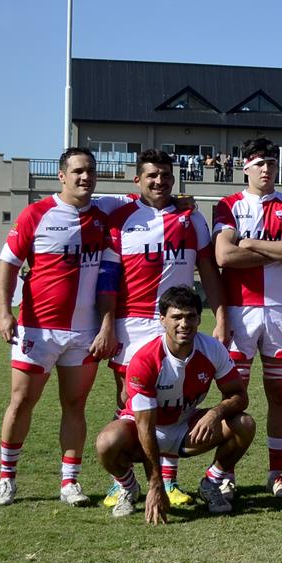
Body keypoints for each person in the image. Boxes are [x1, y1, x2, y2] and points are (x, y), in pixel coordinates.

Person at [99, 148, 227, 510]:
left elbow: (208, 269)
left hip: (177, 319)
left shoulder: (191, 217)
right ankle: (123, 483)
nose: (160, 181)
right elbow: (109, 277)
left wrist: (220, 317)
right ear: (137, 178)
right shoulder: (119, 213)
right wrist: (108, 323)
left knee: (177, 396)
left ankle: (169, 482)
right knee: (128, 401)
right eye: (152, 175)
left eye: (166, 175)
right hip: (134, 322)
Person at [0, 147, 115, 507]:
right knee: (21, 401)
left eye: (90, 171)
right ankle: (6, 478)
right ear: (62, 176)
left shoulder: (104, 217)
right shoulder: (37, 213)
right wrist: (3, 312)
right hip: (37, 330)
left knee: (75, 404)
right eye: (77, 171)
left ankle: (70, 481)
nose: (84, 177)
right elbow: (8, 265)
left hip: (84, 334)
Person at [94, 286, 255, 521]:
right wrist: (156, 484)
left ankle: (211, 483)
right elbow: (145, 427)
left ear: (199, 318)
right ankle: (128, 487)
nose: (184, 324)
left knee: (245, 424)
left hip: (184, 426)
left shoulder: (212, 349)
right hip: (143, 431)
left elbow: (240, 395)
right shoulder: (145, 359)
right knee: (107, 442)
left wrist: (216, 413)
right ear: (162, 320)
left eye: (190, 316)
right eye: (176, 317)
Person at [211, 137, 282, 501]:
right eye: (259, 163)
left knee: (279, 396)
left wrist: (250, 244)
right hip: (240, 312)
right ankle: (226, 473)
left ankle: (276, 472)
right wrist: (274, 251)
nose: (266, 169)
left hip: (281, 313)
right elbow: (224, 255)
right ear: (245, 167)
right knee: (235, 397)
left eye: (271, 162)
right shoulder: (228, 205)